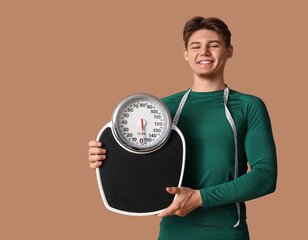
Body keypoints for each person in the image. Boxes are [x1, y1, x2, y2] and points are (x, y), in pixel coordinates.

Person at [88, 16, 277, 240]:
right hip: (172, 233)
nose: (204, 52)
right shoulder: (161, 109)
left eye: (213, 45)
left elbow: (265, 176)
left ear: (229, 50)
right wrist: (107, 155)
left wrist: (200, 198)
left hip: (226, 233)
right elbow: (142, 166)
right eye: (196, 46)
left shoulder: (248, 106)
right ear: (186, 54)